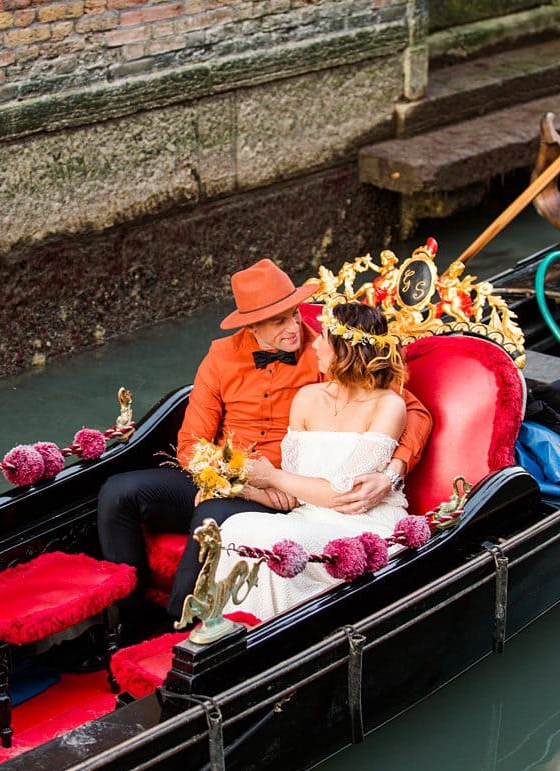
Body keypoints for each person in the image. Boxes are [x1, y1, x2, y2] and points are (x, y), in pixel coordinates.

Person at [97, 259, 431, 633]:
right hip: (227, 477)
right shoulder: (221, 357)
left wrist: (393, 471)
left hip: (286, 489)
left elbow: (415, 411)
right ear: (251, 325)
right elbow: (191, 442)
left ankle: (179, 633)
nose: (295, 328)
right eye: (279, 321)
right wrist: (221, 479)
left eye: (294, 315)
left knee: (214, 514)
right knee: (118, 492)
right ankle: (130, 622)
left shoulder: (326, 355)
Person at [213, 301, 409, 619]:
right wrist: (236, 484)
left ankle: (273, 637)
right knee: (234, 526)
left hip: (364, 523)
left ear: (344, 349)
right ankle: (233, 633)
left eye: (322, 337)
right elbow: (293, 496)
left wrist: (272, 476)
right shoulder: (306, 398)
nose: (313, 343)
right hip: (308, 517)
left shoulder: (388, 405)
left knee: (275, 544)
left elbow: (347, 496)